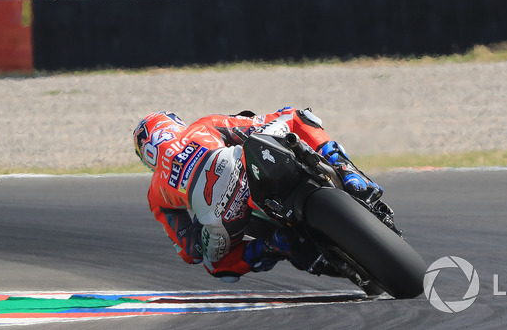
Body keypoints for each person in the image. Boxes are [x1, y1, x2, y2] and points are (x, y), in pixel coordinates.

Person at [132, 106, 381, 283]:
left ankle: (271, 246)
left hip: (221, 216)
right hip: (241, 168)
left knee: (215, 265)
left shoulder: (156, 191)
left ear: (147, 156)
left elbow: (191, 252)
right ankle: (347, 172)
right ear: (175, 125)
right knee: (295, 117)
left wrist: (200, 224)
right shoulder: (201, 126)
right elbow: (254, 126)